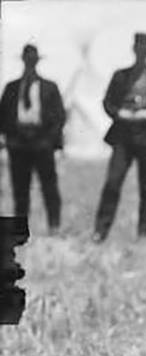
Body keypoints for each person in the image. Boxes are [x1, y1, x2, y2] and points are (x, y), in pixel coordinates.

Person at [92, 32, 146, 243]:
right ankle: (100, 232)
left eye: (144, 48)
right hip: (123, 138)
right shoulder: (120, 76)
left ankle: (144, 233)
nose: (141, 52)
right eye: (138, 48)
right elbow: (107, 102)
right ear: (133, 50)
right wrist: (119, 113)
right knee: (112, 183)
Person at [0, 44, 66, 235]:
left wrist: (50, 140)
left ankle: (54, 226)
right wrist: (9, 138)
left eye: (33, 59)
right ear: (23, 60)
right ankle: (20, 231)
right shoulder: (11, 88)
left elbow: (60, 116)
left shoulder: (49, 88)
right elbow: (3, 116)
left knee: (49, 188)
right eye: (27, 59)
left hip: (42, 143)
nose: (30, 63)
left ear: (37, 61)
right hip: (18, 144)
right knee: (20, 190)